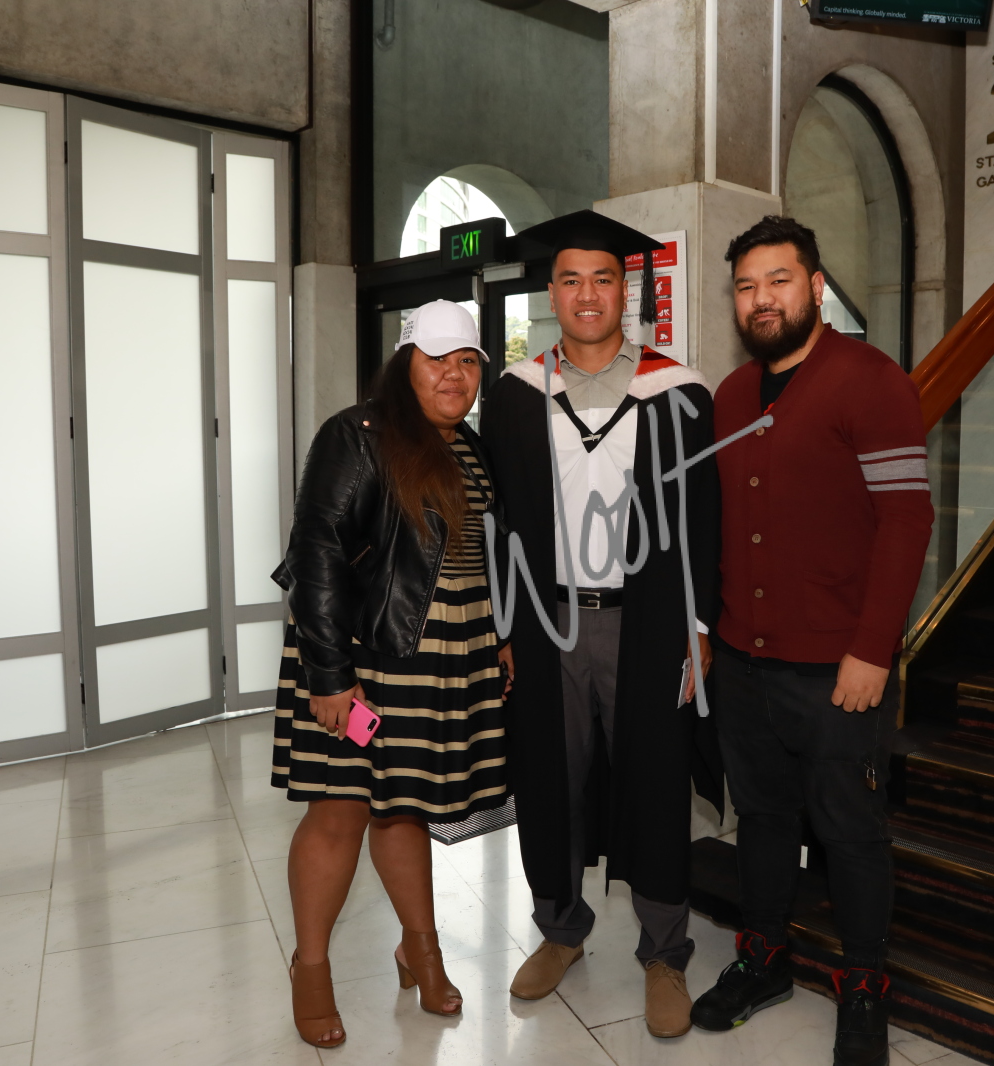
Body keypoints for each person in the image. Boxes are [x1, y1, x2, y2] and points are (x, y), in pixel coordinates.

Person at [691, 216, 933, 1066]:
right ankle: (763, 958)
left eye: (779, 281)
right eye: (746, 286)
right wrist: (706, 630)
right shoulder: (729, 396)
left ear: (816, 286)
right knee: (760, 818)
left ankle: (864, 985)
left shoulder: (871, 380)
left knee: (850, 829)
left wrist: (873, 649)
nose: (762, 299)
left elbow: (906, 520)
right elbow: (719, 526)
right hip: (745, 661)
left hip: (838, 667)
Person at [481, 210, 721, 1039]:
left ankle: (665, 951)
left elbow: (701, 518)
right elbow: (499, 521)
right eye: (571, 280)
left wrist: (698, 625)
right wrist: (503, 625)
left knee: (656, 777)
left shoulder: (679, 391)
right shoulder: (513, 397)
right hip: (544, 621)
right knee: (548, 776)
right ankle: (560, 929)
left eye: (604, 279)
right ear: (551, 294)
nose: (588, 295)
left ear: (629, 290)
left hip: (645, 623)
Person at [269, 300, 513, 1048]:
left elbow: (480, 553)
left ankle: (420, 950)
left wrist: (501, 636)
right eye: (437, 359)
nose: (454, 374)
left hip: (446, 654)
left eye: (468, 361)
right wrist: (329, 675)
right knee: (340, 811)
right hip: (362, 654)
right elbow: (316, 547)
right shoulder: (358, 433)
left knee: (405, 808)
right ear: (406, 362)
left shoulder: (470, 446)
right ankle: (311, 969)